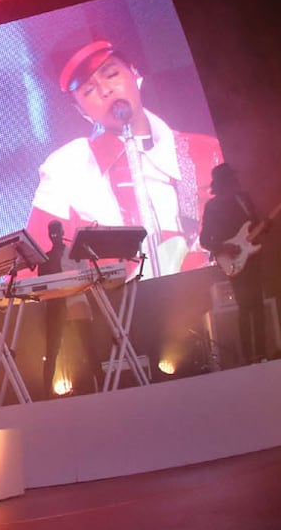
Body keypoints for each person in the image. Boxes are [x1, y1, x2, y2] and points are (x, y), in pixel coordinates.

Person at [26, 39, 223, 278]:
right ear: (82, 112)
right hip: (124, 309)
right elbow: (33, 269)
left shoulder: (205, 151)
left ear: (135, 74)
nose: (105, 90)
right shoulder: (68, 167)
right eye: (89, 91)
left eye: (111, 75)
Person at [199, 164, 269, 364]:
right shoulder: (212, 207)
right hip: (234, 260)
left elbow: (253, 225)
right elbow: (205, 239)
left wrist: (266, 226)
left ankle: (262, 353)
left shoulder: (244, 198)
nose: (235, 183)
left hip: (253, 256)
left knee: (258, 305)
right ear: (223, 183)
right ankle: (249, 355)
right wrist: (223, 248)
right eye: (231, 180)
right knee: (246, 306)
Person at [38, 220, 98, 396]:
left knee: (88, 347)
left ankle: (102, 387)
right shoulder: (45, 258)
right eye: (51, 231)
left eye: (57, 230)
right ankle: (45, 396)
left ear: (63, 231)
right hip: (56, 305)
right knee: (51, 352)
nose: (54, 234)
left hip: (76, 299)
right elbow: (42, 285)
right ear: (49, 234)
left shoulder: (75, 253)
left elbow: (84, 276)